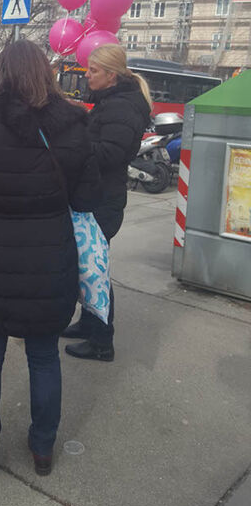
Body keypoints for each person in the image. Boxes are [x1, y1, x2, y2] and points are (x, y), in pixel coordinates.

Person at [0, 40, 99, 480]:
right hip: (50, 261)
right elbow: (88, 197)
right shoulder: (74, 126)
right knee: (45, 356)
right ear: (45, 75)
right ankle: (43, 448)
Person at [63, 44, 152, 361]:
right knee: (88, 266)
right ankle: (88, 323)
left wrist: (74, 143)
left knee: (94, 269)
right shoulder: (113, 102)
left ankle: (102, 341)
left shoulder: (122, 108)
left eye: (94, 71)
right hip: (98, 197)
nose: (88, 76)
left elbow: (110, 154)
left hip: (103, 200)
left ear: (111, 75)